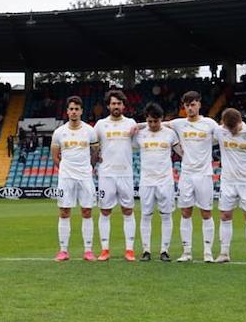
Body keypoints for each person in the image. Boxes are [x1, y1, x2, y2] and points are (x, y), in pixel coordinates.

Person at [165, 90, 220, 262]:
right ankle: (187, 252)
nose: (190, 108)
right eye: (187, 105)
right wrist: (137, 126)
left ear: (199, 104)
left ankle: (207, 252)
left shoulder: (210, 123)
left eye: (193, 104)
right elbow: (158, 123)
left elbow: (224, 135)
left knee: (206, 212)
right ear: (184, 107)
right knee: (186, 212)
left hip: (204, 174)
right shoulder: (179, 124)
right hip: (186, 175)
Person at [50, 95, 100, 261]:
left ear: (81, 111)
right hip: (66, 178)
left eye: (77, 109)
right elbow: (55, 156)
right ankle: (63, 250)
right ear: (67, 111)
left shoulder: (89, 131)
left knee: (87, 211)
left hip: (85, 177)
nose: (74, 112)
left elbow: (95, 152)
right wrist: (65, 170)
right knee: (64, 211)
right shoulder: (59, 132)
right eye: (71, 109)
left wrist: (90, 168)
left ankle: (88, 250)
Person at [213, 107, 246, 263]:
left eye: (234, 128)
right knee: (225, 215)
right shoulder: (219, 131)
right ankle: (224, 253)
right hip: (228, 180)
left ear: (240, 121)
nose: (232, 131)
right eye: (229, 128)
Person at [132, 102, 182, 261]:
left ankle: (164, 250)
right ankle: (146, 250)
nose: (153, 125)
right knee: (146, 215)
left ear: (161, 119)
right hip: (146, 181)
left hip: (165, 181)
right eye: (149, 121)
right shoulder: (140, 134)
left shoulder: (170, 134)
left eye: (156, 121)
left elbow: (181, 152)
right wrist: (137, 126)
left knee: (166, 215)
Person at [94, 89, 138, 261]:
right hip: (106, 175)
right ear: (108, 105)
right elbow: (93, 145)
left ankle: (129, 249)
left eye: (119, 103)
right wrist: (94, 157)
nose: (116, 106)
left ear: (123, 106)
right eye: (113, 103)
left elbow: (137, 140)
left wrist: (138, 128)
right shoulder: (100, 124)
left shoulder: (131, 123)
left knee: (128, 210)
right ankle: (105, 249)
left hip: (125, 173)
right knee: (105, 211)